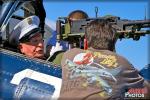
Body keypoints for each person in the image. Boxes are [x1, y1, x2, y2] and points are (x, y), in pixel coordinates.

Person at [59, 19, 149, 99]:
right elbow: (146, 92)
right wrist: (126, 93)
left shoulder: (69, 55)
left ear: (85, 42)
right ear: (113, 44)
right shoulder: (122, 63)